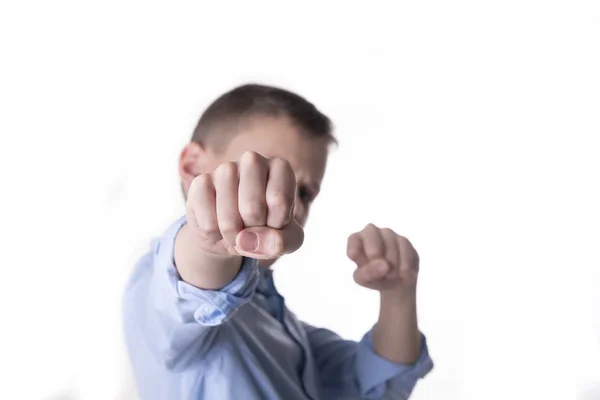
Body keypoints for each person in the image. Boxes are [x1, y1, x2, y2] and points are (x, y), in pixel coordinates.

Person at [123, 83, 434, 400]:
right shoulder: (158, 285)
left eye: (305, 192)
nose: (292, 204)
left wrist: (398, 295)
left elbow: (371, 385)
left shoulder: (289, 334)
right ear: (192, 166)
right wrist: (212, 239)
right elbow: (188, 285)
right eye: (266, 171)